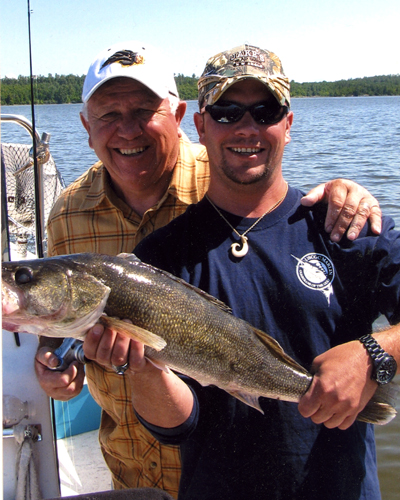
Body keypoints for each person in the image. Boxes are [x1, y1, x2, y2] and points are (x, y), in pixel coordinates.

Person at [35, 41, 385, 498]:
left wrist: (375, 352)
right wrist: (57, 361)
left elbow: (267, 190)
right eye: (107, 114)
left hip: (264, 458)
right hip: (136, 456)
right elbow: (63, 321)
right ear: (85, 124)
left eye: (143, 110)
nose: (126, 129)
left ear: (180, 118)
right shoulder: (69, 215)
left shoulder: (232, 174)